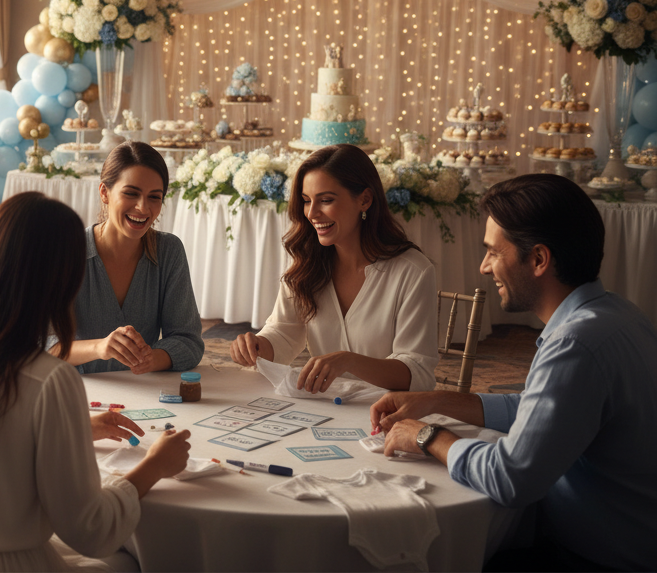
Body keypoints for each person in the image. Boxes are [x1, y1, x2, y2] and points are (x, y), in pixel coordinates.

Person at [372, 174, 657, 571]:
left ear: (538, 259)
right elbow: (542, 411)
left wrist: (428, 435)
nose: (484, 267)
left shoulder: (575, 344)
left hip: (595, 556)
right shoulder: (619, 314)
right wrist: (438, 400)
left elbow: (511, 479)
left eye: (492, 252)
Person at [0, 192, 192, 571]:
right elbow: (92, 529)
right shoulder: (50, 380)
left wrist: (71, 429)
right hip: (8, 565)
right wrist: (155, 464)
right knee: (131, 561)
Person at [230, 144, 438, 392]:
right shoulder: (306, 262)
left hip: (388, 414)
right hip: (325, 408)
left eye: (326, 200)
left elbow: (417, 373)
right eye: (307, 201)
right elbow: (285, 333)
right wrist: (256, 346)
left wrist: (348, 360)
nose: (313, 213)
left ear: (365, 199)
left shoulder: (413, 271)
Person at [51, 142, 203, 374]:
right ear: (104, 192)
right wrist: (99, 348)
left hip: (146, 394)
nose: (143, 208)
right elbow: (43, 347)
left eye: (155, 197)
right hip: (79, 395)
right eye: (131, 193)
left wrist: (152, 359)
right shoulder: (66, 253)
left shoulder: (169, 251)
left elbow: (188, 341)